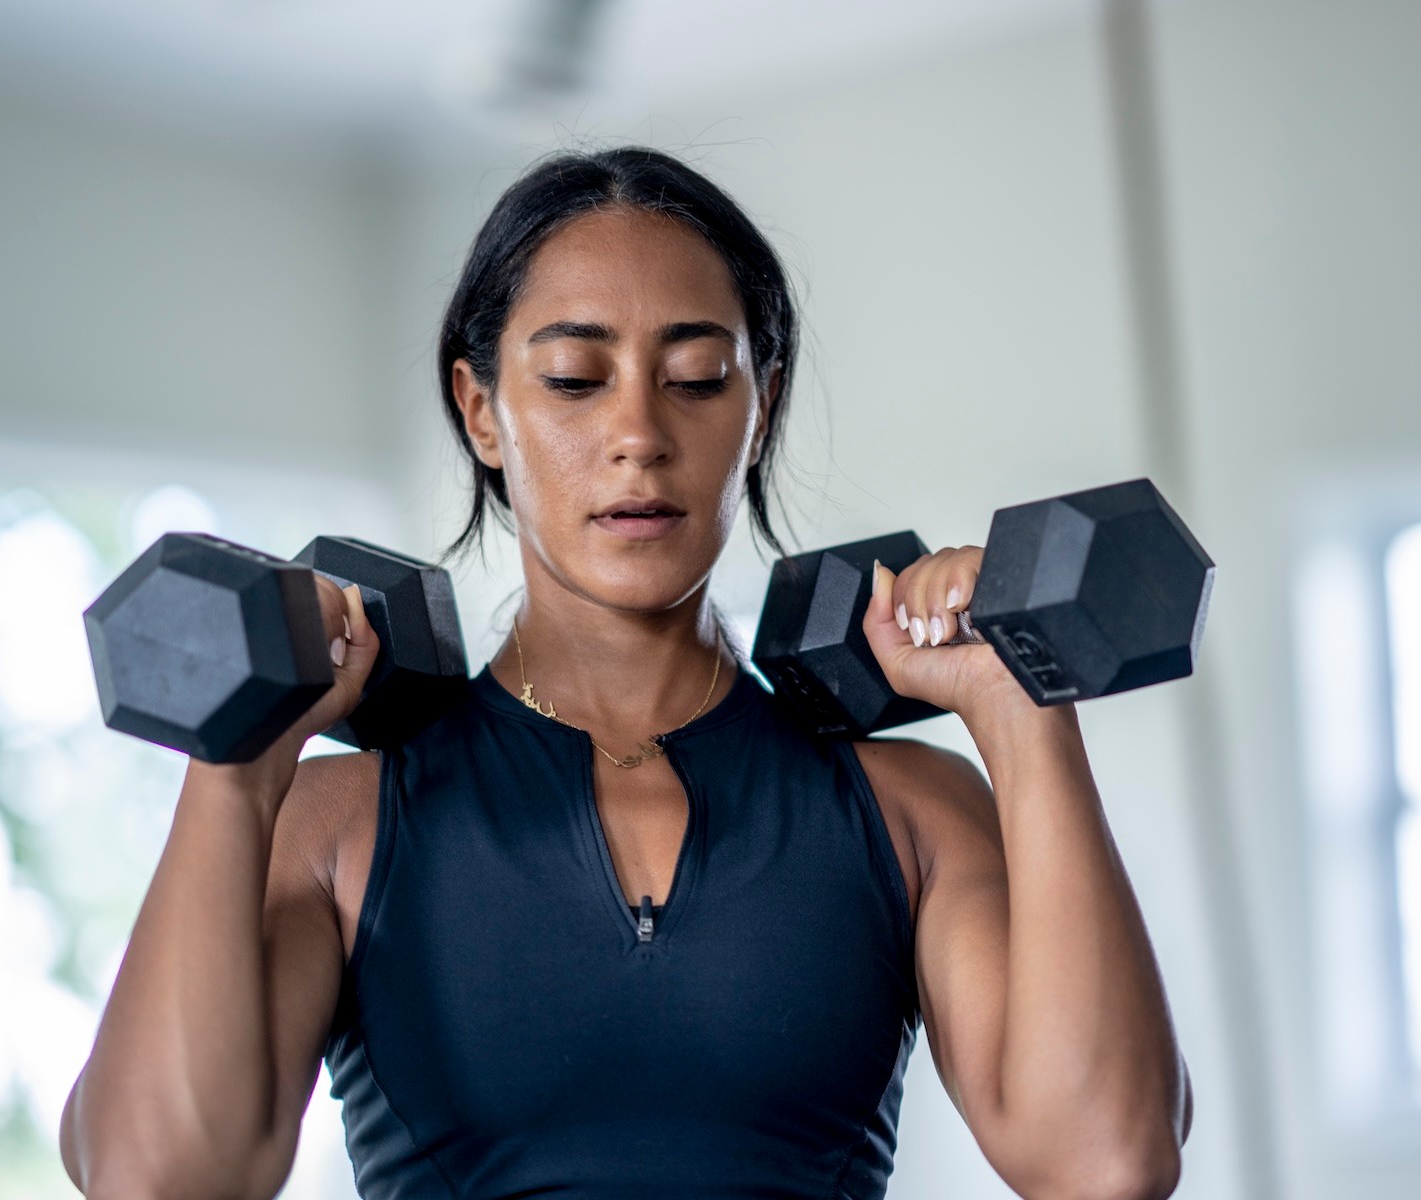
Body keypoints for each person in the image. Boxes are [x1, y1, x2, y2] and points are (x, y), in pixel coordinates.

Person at [58, 145, 1191, 1200]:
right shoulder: (342, 820)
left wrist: (1021, 710)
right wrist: (239, 769)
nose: (639, 433)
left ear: (763, 408)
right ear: (481, 412)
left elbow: (1104, 1161)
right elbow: (157, 1176)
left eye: (698, 378)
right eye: (572, 380)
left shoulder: (908, 811)